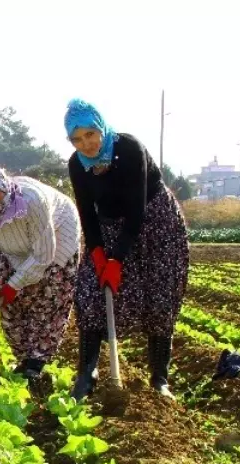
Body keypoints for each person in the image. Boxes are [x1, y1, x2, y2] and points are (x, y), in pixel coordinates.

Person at [65, 98, 190, 400]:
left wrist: (117, 261)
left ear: (101, 128)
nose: (86, 144)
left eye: (90, 134)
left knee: (160, 295)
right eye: (76, 139)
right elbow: (87, 214)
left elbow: (136, 213)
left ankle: (160, 380)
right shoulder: (77, 166)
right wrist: (98, 256)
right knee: (92, 294)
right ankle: (86, 374)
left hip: (154, 222)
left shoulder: (129, 149)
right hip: (107, 227)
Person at [0, 163, 81, 384]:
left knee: (48, 297)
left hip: (56, 236)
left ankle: (37, 362)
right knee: (10, 305)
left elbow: (42, 255)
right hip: (12, 248)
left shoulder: (32, 201)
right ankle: (23, 358)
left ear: (4, 186)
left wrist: (16, 283)